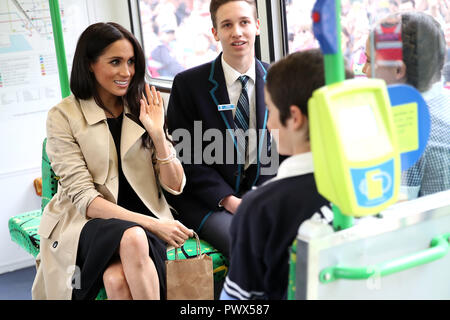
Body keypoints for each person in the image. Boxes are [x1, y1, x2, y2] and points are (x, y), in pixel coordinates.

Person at [32, 22, 193, 300]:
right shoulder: (62, 115)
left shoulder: (146, 104)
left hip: (141, 217)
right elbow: (85, 200)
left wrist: (157, 135)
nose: (127, 72)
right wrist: (153, 225)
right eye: (115, 62)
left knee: (116, 280)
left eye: (131, 62)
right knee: (133, 236)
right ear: (89, 64)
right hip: (84, 223)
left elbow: (175, 185)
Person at [220, 49, 341, 300]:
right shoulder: (372, 181)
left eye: (271, 112)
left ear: (294, 117)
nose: (269, 123)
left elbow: (239, 299)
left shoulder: (261, 207)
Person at [165, 0, 280, 258]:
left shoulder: (278, 80)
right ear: (215, 32)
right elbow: (187, 158)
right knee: (248, 245)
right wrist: (230, 201)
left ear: (257, 26)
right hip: (208, 201)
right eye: (227, 25)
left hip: (262, 194)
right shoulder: (188, 85)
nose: (237, 32)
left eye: (244, 22)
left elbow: (285, 150)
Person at [363, 11, 450, 199]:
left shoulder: (406, 130)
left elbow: (396, 207)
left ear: (398, 69)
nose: (364, 70)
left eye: (369, 61)